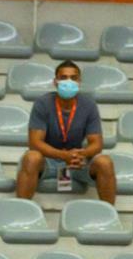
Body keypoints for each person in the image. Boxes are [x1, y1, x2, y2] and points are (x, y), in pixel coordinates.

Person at [16, 60, 116, 205]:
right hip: (48, 161)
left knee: (105, 162)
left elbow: (97, 144)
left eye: (73, 78)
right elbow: (35, 143)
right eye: (63, 77)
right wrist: (63, 156)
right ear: (55, 82)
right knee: (31, 158)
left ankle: (109, 213)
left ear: (79, 82)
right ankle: (21, 211)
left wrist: (80, 155)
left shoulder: (89, 105)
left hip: (76, 162)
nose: (68, 81)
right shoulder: (42, 103)